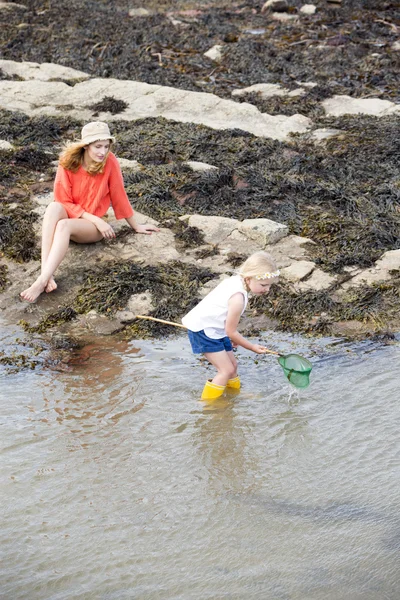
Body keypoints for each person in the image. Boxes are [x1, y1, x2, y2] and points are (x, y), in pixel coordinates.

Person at [20, 121, 159, 303]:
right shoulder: (68, 163)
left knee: (63, 225)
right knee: (53, 207)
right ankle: (45, 275)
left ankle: (42, 280)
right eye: (98, 146)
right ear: (86, 146)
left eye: (106, 147)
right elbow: (62, 200)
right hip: (82, 216)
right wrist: (93, 217)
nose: (102, 152)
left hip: (90, 229)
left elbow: (119, 195)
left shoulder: (110, 162)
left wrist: (135, 225)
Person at [182, 251, 280, 401]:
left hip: (216, 328)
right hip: (203, 331)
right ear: (248, 279)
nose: (267, 290)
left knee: (233, 365)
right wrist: (252, 347)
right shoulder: (238, 299)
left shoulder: (237, 280)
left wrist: (230, 335)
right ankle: (207, 405)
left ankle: (234, 394)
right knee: (225, 370)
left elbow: (226, 320)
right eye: (263, 285)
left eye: (270, 286)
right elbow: (231, 330)